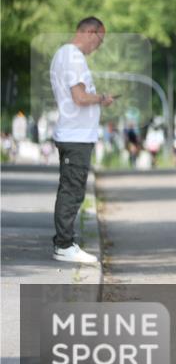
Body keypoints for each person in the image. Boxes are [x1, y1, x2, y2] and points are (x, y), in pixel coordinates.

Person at [48, 17, 113, 264]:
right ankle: (64, 245)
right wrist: (100, 98)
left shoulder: (63, 55)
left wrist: (98, 99)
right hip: (75, 136)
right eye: (100, 39)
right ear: (91, 32)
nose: (99, 46)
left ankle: (65, 242)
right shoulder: (74, 57)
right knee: (72, 191)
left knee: (71, 189)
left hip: (74, 134)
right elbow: (79, 97)